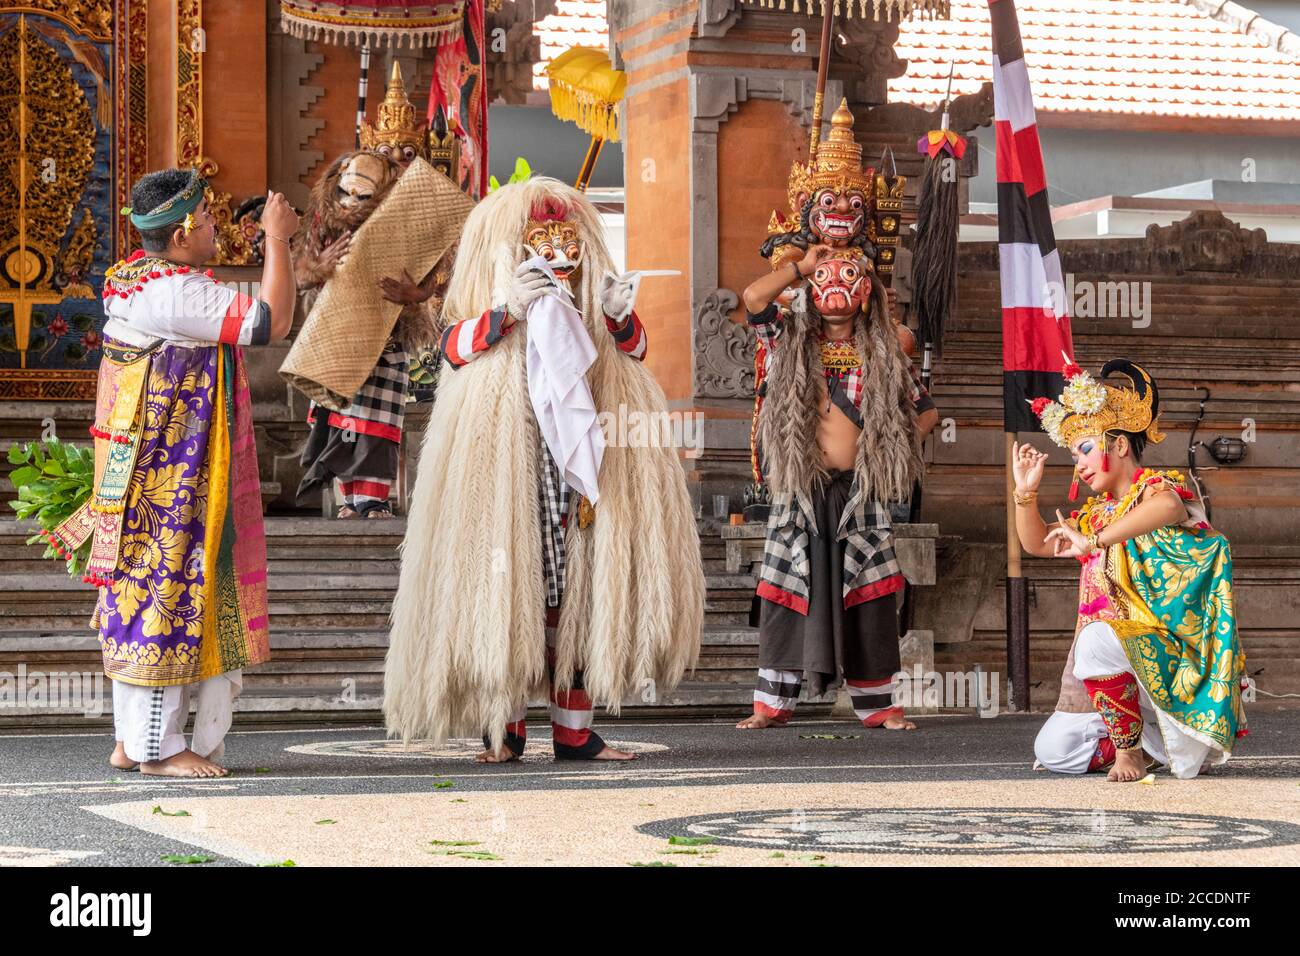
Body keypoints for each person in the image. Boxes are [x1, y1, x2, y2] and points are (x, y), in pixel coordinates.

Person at [383, 176, 703, 763]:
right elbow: (453, 350)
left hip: (578, 472)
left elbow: (633, 354)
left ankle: (575, 733)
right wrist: (507, 310)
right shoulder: (486, 303)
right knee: (504, 591)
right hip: (503, 471)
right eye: (542, 240)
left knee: (577, 595)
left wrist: (616, 318)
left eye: (567, 239)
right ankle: (502, 731)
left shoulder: (588, 307)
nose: (558, 252)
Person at [63, 167, 298, 777]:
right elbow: (271, 322)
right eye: (211, 219)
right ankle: (159, 750)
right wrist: (277, 240)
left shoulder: (132, 277)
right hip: (172, 475)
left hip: (142, 469)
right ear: (185, 228)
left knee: (141, 590)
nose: (218, 227)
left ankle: (130, 741)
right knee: (170, 591)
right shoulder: (176, 295)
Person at [736, 242, 937, 732]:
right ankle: (772, 706)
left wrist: (887, 444)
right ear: (810, 290)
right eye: (823, 279)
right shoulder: (787, 340)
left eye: (847, 278)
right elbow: (754, 296)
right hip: (801, 491)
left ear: (866, 292)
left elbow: (927, 413)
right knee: (787, 592)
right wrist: (800, 267)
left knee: (868, 597)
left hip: (860, 496)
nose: (834, 288)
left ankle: (880, 707)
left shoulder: (887, 353)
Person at [1016, 358, 1247, 781]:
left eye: (1085, 449)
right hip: (1121, 669)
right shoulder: (1096, 514)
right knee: (1053, 750)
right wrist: (1024, 493)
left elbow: (1168, 508)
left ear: (1120, 445)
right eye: (1073, 456)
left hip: (1174, 659)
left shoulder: (1158, 489)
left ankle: (1130, 754)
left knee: (1096, 637)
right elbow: (1037, 543)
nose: (1079, 466)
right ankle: (1145, 745)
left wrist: (1097, 541)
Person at [295, 64, 459, 519]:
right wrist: (320, 266)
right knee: (343, 415)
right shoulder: (337, 203)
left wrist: (419, 293)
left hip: (396, 329)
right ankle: (350, 501)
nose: (397, 161)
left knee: (380, 419)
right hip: (339, 326)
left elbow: (451, 279)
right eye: (386, 151)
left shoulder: (429, 214)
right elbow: (302, 272)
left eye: (407, 153)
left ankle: (374, 498)